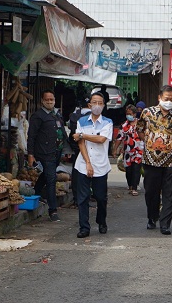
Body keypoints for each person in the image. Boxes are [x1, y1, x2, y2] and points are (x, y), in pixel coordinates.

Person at [136, 85, 172, 235]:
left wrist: (170, 146)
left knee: (170, 193)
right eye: (166, 99)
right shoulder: (147, 113)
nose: (169, 102)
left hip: (171, 160)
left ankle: (165, 224)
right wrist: (150, 143)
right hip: (151, 160)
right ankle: (152, 217)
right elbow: (139, 130)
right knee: (151, 191)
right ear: (159, 98)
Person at [72, 92, 113, 238]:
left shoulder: (108, 122)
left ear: (103, 105)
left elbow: (101, 139)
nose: (97, 105)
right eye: (94, 102)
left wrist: (82, 135)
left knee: (101, 197)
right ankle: (84, 227)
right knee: (82, 198)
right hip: (83, 163)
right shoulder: (82, 121)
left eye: (100, 103)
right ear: (89, 105)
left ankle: (101, 221)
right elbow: (80, 143)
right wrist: (88, 162)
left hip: (101, 165)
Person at [27, 90, 67, 222]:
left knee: (46, 175)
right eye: (47, 100)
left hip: (56, 152)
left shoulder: (56, 115)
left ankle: (36, 192)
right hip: (44, 152)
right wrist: (30, 154)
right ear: (42, 101)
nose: (50, 102)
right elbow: (31, 136)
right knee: (51, 179)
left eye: (52, 100)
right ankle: (53, 210)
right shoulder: (38, 116)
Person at [113, 104, 144, 196]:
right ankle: (130, 185)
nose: (128, 115)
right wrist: (115, 150)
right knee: (129, 170)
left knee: (136, 169)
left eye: (130, 113)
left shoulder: (140, 124)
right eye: (127, 113)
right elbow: (119, 138)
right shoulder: (124, 125)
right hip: (127, 151)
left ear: (135, 114)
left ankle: (134, 188)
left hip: (138, 151)